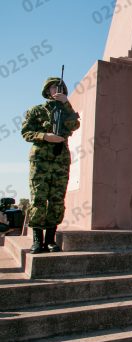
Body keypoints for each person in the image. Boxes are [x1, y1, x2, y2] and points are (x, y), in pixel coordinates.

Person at [21, 77, 80, 253]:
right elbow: (26, 132)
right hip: (41, 160)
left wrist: (67, 104)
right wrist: (45, 136)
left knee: (56, 200)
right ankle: (37, 241)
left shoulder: (67, 110)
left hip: (60, 160)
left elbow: (75, 125)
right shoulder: (36, 111)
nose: (58, 90)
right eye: (54, 87)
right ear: (48, 91)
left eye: (61, 87)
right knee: (38, 198)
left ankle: (51, 240)